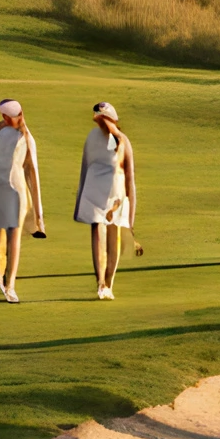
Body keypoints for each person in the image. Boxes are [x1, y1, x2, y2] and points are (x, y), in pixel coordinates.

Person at [0, 98, 45, 301]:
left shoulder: (26, 138)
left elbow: (33, 174)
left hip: (17, 192)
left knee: (14, 236)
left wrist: (39, 216)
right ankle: (0, 278)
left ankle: (11, 284)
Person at [73, 99, 139, 298]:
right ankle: (100, 283)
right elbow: (85, 168)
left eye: (104, 119)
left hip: (116, 197)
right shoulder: (92, 137)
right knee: (98, 234)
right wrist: (80, 202)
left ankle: (108, 283)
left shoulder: (121, 140)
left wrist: (131, 218)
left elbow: (130, 178)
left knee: (113, 237)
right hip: (94, 193)